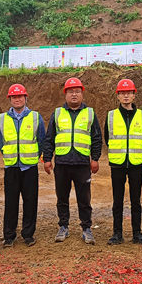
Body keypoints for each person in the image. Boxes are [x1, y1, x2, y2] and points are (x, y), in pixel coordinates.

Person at [42, 77, 102, 245]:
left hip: (83, 164)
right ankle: (63, 227)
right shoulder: (58, 113)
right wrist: (48, 159)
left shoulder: (90, 113)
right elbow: (50, 138)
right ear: (65, 95)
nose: (74, 95)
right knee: (62, 197)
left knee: (84, 198)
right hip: (62, 163)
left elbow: (96, 138)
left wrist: (95, 158)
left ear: (82, 94)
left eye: (77, 92)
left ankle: (86, 228)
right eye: (70, 92)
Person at [0, 83, 46, 248]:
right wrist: (7, 154)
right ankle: (9, 236)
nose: (17, 99)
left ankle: (28, 234)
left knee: (30, 201)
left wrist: (32, 155)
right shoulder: (3, 118)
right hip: (11, 167)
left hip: (29, 167)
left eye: (20, 96)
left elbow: (41, 139)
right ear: (9, 99)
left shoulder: (35, 117)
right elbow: (0, 140)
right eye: (14, 97)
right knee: (10, 202)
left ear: (25, 98)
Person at [104, 79, 142, 245]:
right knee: (117, 200)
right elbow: (107, 138)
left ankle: (137, 233)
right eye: (122, 93)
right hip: (118, 163)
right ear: (118, 96)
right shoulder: (111, 116)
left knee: (136, 200)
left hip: (136, 163)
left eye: (129, 93)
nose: (126, 96)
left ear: (134, 95)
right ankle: (117, 233)